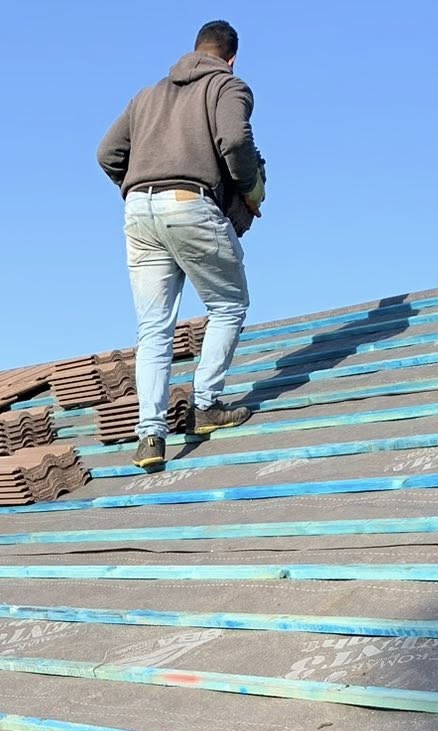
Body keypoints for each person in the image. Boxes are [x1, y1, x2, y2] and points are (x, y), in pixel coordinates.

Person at [97, 18, 266, 473]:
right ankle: (206, 404)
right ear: (231, 58)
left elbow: (106, 153)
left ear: (194, 49)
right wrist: (249, 186)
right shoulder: (228, 86)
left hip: (138, 209)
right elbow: (235, 139)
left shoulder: (147, 95)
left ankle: (150, 435)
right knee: (228, 304)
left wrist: (138, 185)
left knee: (153, 329)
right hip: (189, 202)